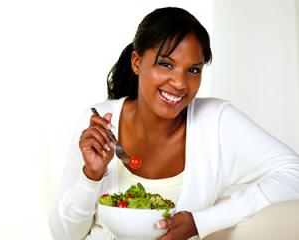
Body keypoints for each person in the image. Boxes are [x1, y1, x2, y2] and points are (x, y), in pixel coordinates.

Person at [49, 7, 299, 240]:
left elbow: (294, 174)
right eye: (166, 64)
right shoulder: (98, 124)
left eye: (193, 70)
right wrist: (91, 176)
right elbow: (65, 235)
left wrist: (200, 222)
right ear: (137, 62)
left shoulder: (216, 121)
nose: (180, 83)